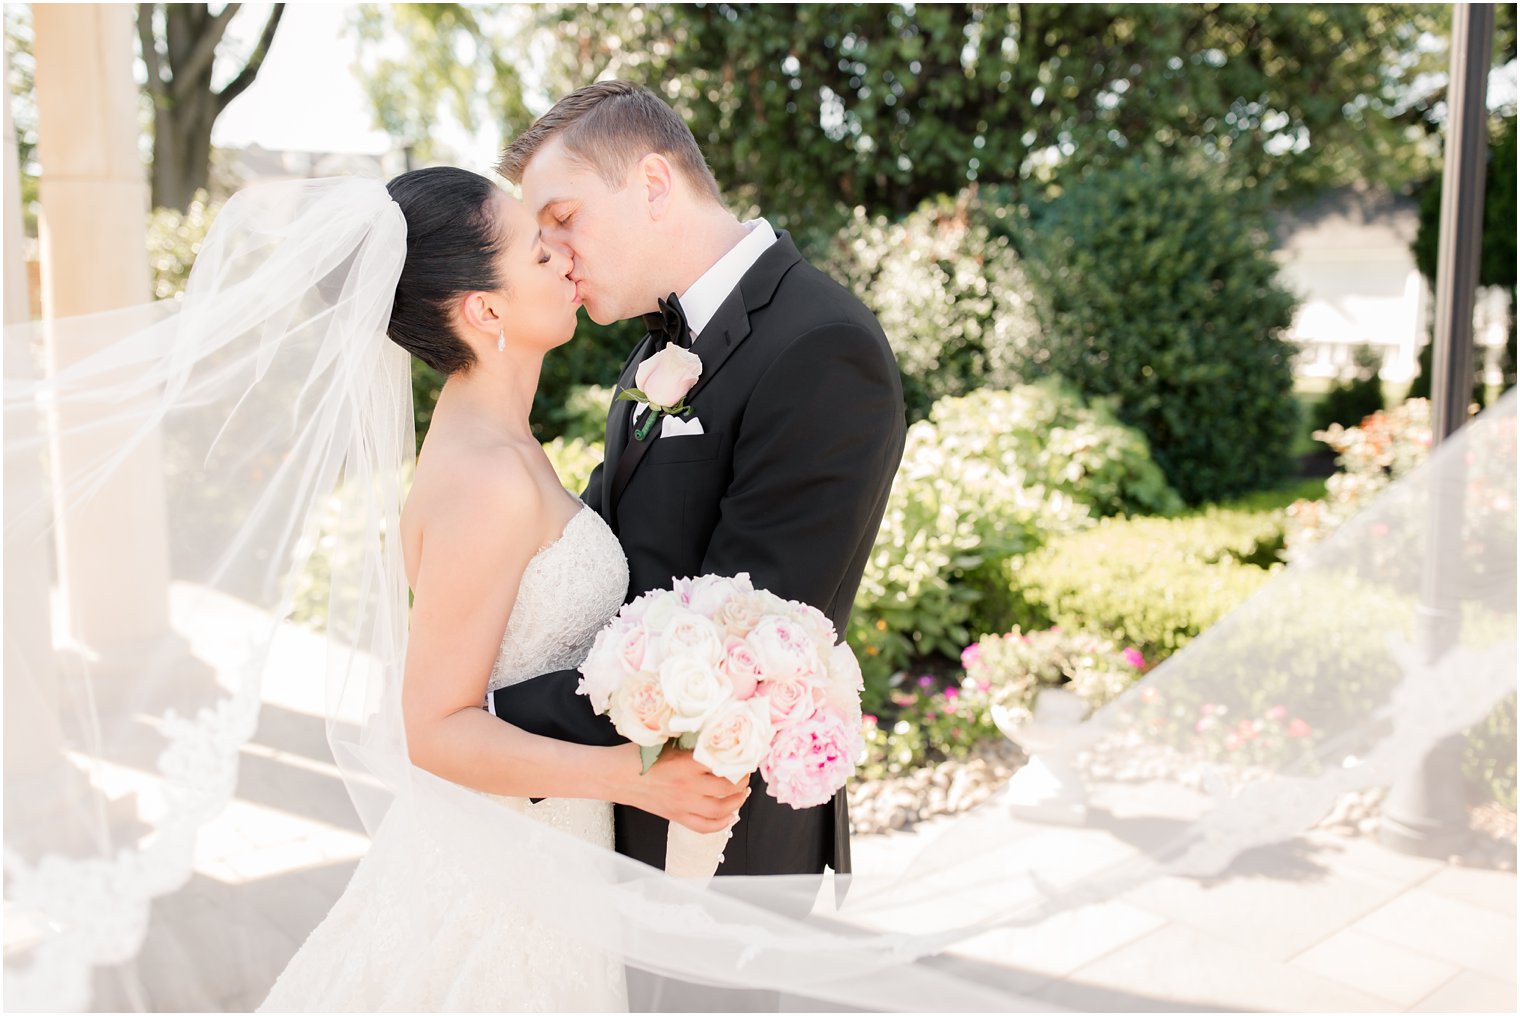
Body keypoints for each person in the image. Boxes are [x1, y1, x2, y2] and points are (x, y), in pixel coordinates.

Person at [243, 167, 745, 1011]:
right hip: (501, 889)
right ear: (484, 309)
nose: (563, 256)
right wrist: (635, 776)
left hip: (542, 862)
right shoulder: (487, 480)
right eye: (535, 249)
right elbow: (435, 728)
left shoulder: (499, 444)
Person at [487, 81, 907, 895]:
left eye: (564, 219)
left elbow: (735, 651)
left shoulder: (821, 346)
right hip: (620, 811)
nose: (556, 254)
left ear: (652, 183)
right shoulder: (656, 349)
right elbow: (604, 556)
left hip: (722, 844)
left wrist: (488, 726)